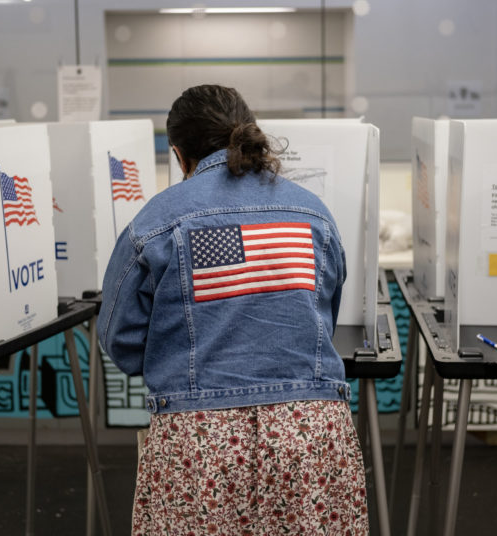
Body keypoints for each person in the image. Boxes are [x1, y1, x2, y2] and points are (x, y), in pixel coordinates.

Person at [98, 85, 368, 535]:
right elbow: (324, 313)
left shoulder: (157, 220)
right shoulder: (313, 213)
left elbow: (121, 340)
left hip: (199, 440)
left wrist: (179, 358)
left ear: (179, 155)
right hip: (309, 433)